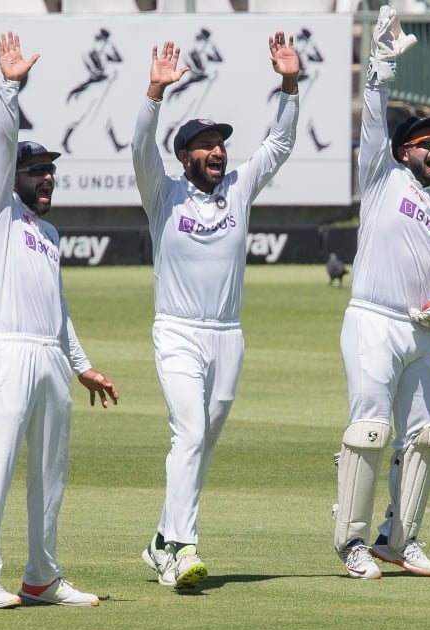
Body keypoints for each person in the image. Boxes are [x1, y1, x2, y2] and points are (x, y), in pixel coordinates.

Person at [132, 32, 300, 591]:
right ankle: (184, 547)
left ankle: (161, 540)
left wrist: (290, 84)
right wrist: (154, 94)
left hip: (228, 335)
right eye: (204, 145)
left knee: (201, 444)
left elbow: (279, 145)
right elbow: (140, 148)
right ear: (185, 157)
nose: (217, 152)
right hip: (177, 331)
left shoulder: (239, 188)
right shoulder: (163, 194)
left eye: (221, 144)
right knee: (189, 432)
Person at [0, 31, 120, 610]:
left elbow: (59, 307)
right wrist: (10, 89)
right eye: (35, 171)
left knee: (50, 473)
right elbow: (3, 146)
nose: (46, 177)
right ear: (13, 179)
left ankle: (41, 576)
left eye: (50, 171)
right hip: (9, 352)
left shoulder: (49, 233)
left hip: (51, 358)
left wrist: (81, 365)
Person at [332, 5, 430, 580]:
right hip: (372, 320)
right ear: (403, 151)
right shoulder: (381, 178)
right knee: (370, 430)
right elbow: (372, 116)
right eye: (425, 142)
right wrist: (380, 66)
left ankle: (399, 538)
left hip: (423, 333)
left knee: (426, 435)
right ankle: (351, 542)